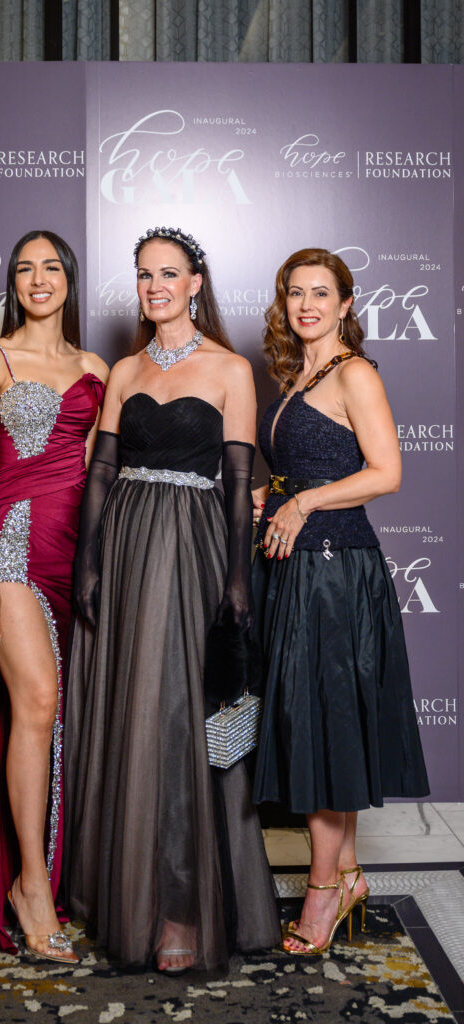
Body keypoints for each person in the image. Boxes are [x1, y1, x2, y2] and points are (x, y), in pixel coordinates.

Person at [64, 227, 281, 973]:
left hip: (189, 553)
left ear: (196, 282)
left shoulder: (229, 370)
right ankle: (135, 901)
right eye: (144, 274)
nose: (154, 285)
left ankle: (186, 907)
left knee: (182, 719)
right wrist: (87, 562)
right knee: (133, 715)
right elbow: (99, 472)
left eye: (169, 273)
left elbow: (237, 481)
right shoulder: (123, 371)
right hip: (125, 547)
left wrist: (235, 577)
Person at [251, 248, 429, 955]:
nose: (306, 305)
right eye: (295, 293)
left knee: (326, 727)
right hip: (300, 570)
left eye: (320, 293)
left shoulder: (353, 372)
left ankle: (322, 889)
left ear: (346, 303)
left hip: (335, 570)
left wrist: (306, 502)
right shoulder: (297, 376)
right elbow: (305, 469)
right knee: (327, 725)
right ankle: (347, 873)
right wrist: (273, 495)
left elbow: (385, 472)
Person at [0, 230, 108, 963]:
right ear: (13, 283)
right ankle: (29, 887)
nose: (38, 279)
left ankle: (62, 875)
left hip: (80, 557)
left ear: (69, 279)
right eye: (23, 269)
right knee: (36, 705)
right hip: (11, 548)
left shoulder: (97, 367)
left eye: (50, 267)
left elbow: (106, 474)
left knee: (63, 717)